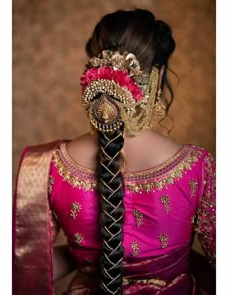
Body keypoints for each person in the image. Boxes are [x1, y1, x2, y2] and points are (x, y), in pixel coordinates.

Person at [13, 8, 216, 295]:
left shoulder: (46, 165)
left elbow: (25, 265)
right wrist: (178, 262)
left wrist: (84, 257)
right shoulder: (198, 165)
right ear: (156, 80)